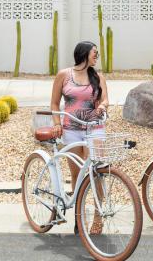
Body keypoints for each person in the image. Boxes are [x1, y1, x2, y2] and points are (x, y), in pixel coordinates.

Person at [49, 40, 108, 234]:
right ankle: (79, 216)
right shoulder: (64, 75)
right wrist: (57, 124)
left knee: (97, 173)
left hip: (95, 127)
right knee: (76, 174)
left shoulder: (98, 76)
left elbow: (105, 99)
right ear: (83, 54)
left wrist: (102, 106)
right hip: (71, 129)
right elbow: (55, 104)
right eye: (94, 53)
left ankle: (98, 217)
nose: (96, 56)